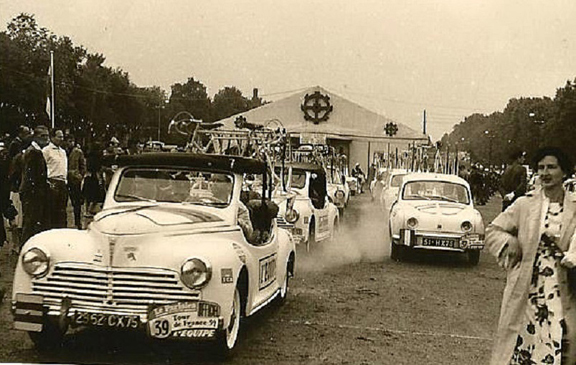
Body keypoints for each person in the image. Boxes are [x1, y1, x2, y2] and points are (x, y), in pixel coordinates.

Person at [485, 147, 576, 364]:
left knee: (556, 343)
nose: (545, 173)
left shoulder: (574, 207)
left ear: (564, 172)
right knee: (521, 344)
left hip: (561, 290)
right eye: (541, 168)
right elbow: (493, 230)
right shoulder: (524, 204)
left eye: (551, 167)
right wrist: (510, 242)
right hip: (527, 289)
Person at [20, 125, 50, 244]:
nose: (46, 139)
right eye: (43, 136)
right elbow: (30, 176)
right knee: (30, 222)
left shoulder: (35, 151)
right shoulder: (33, 153)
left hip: (34, 192)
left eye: (47, 136)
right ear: (36, 137)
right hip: (33, 194)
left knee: (32, 222)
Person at [42, 129, 68, 229]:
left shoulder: (63, 151)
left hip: (62, 183)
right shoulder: (46, 151)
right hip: (52, 182)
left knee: (62, 210)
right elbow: (42, 167)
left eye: (62, 137)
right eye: (59, 137)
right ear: (52, 137)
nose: (62, 139)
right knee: (52, 210)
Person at [65, 134, 86, 229]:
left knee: (76, 203)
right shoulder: (63, 151)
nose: (71, 143)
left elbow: (83, 165)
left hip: (74, 180)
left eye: (72, 141)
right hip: (65, 179)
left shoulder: (77, 152)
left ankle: (78, 222)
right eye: (69, 141)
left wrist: (80, 176)